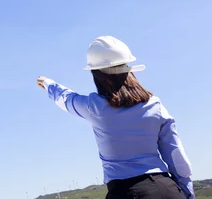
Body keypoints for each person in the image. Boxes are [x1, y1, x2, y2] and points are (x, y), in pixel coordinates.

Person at [37, 36, 194, 199]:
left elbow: (67, 99)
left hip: (128, 192)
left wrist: (48, 83)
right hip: (169, 189)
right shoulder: (155, 104)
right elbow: (176, 155)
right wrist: (186, 192)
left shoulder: (95, 107)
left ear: (97, 74)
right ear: (129, 69)